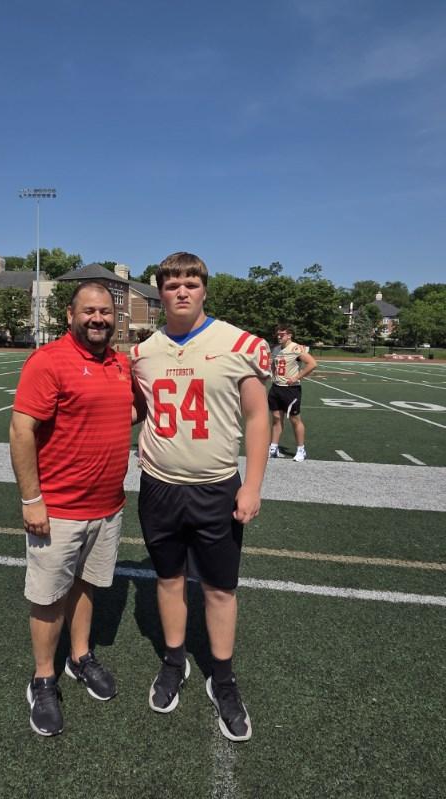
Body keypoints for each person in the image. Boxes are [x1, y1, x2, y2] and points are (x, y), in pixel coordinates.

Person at [131, 252, 271, 742]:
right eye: (172, 285)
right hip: (159, 485)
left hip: (216, 486)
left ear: (205, 288)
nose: (182, 292)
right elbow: (136, 412)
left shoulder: (238, 343)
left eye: (191, 283)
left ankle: (224, 678)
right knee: (168, 580)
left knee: (219, 588)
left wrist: (251, 484)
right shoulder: (143, 351)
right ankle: (174, 662)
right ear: (160, 291)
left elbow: (257, 418)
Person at [9, 281, 134, 737]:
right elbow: (21, 430)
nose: (98, 318)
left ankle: (80, 656)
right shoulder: (48, 361)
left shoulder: (121, 363)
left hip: (107, 505)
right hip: (58, 507)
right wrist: (31, 498)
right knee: (46, 596)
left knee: (87, 585)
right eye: (89, 311)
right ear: (70, 315)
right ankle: (44, 678)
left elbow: (130, 411)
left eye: (105, 312)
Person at [268, 324, 317, 462]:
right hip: (276, 387)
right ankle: (274, 448)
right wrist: (273, 374)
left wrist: (296, 377)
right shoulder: (276, 349)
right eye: (277, 334)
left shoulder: (295, 348)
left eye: (282, 334)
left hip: (291, 389)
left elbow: (312, 363)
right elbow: (274, 364)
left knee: (295, 420)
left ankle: (301, 449)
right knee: (276, 418)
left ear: (289, 335)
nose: (279, 336)